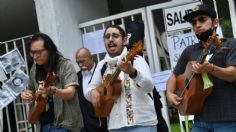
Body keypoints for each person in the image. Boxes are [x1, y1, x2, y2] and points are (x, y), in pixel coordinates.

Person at [166, 4, 236, 132]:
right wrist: (169, 93)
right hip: (199, 119)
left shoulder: (230, 44)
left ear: (215, 22)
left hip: (228, 119)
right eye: (193, 23)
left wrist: (211, 68)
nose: (197, 25)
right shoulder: (189, 51)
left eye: (202, 20)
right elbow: (174, 76)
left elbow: (232, 74)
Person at [86, 25, 157, 132]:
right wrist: (92, 93)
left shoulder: (135, 60)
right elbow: (89, 90)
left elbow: (149, 87)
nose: (111, 39)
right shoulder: (102, 66)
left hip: (142, 124)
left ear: (124, 40)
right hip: (115, 126)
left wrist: (133, 72)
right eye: (107, 37)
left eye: (115, 36)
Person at [21, 33, 83, 132]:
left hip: (64, 125)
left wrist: (53, 90)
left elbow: (71, 93)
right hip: (42, 125)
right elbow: (31, 89)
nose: (35, 56)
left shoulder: (65, 65)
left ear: (49, 49)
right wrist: (26, 94)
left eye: (39, 52)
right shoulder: (34, 68)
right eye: (32, 53)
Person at [75, 48, 108, 132]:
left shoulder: (102, 71)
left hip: (103, 123)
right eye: (78, 62)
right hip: (86, 126)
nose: (80, 65)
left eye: (82, 61)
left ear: (91, 58)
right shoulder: (77, 76)